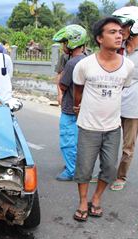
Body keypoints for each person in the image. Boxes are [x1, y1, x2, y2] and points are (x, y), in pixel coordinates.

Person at [72, 17, 134, 221]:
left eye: (120, 32)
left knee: (109, 167)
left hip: (113, 127)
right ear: (99, 38)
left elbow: (121, 89)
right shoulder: (84, 65)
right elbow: (78, 89)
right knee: (84, 167)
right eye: (112, 32)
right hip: (88, 127)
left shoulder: (128, 66)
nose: (119, 35)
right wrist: (78, 107)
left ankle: (96, 198)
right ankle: (83, 201)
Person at [109, 6, 138, 191]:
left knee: (128, 146)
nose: (120, 30)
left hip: (133, 105)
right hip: (112, 103)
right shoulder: (117, 48)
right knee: (109, 142)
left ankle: (121, 176)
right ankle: (106, 172)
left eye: (124, 26)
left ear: (136, 26)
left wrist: (137, 96)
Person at [52, 25, 88, 181]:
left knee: (68, 140)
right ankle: (81, 168)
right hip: (84, 107)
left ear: (72, 43)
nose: (63, 46)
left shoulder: (72, 63)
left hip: (70, 107)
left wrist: (60, 92)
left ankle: (71, 170)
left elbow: (62, 84)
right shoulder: (88, 59)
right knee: (81, 140)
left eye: (64, 42)